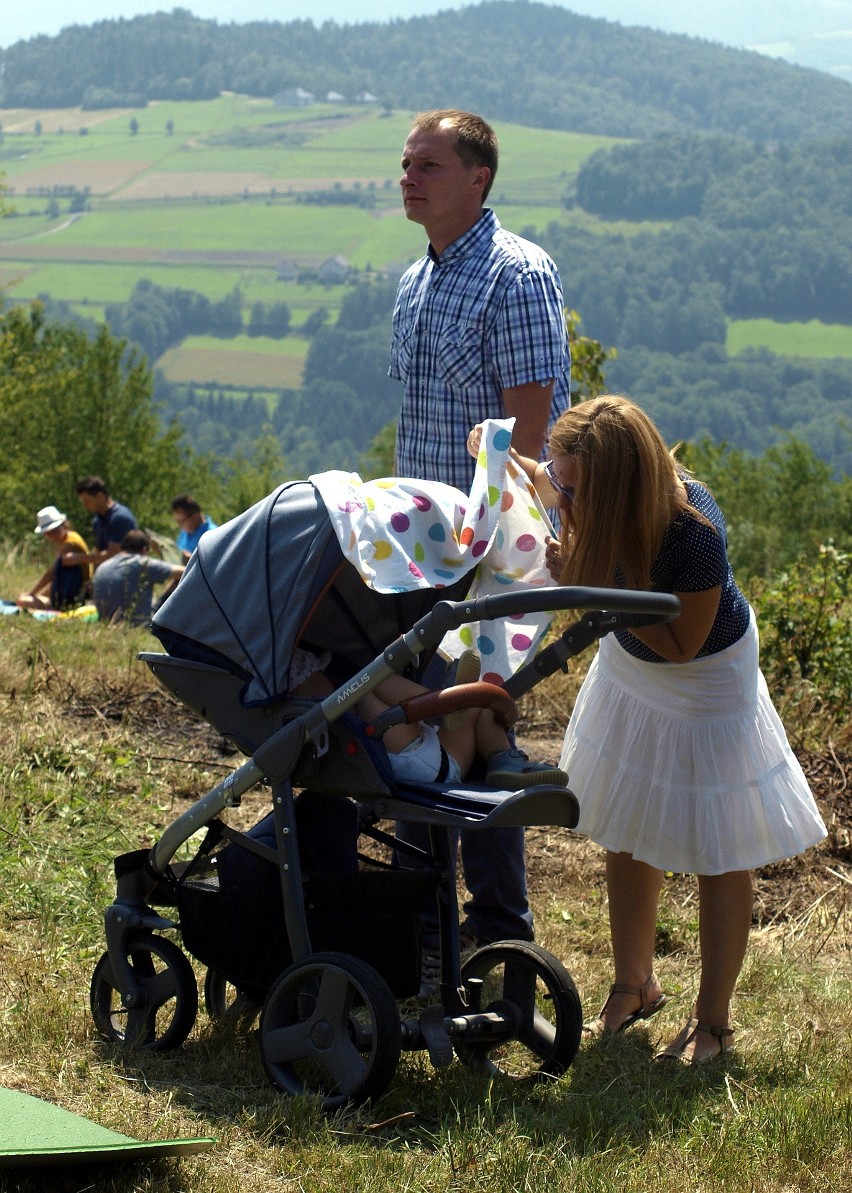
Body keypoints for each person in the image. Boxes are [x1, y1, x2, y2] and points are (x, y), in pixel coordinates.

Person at [474, 395, 827, 1064]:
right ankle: (634, 982)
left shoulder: (693, 533)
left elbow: (682, 643)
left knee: (720, 847)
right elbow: (548, 477)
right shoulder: (592, 487)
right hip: (630, 668)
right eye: (564, 481)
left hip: (703, 679)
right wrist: (498, 457)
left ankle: (713, 1020)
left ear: (617, 485)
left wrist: (588, 591)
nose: (562, 500)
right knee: (629, 820)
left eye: (575, 490)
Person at [389, 108, 572, 948]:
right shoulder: (414, 281)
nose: (409, 176)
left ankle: (498, 929)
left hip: (490, 552)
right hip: (421, 546)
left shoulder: (515, 275)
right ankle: (420, 921)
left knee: (475, 732)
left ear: (478, 178)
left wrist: (483, 561)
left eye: (428, 164)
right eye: (406, 163)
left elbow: (531, 440)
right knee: (424, 729)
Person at [93, 529, 184, 626]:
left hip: (105, 621)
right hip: (138, 623)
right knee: (179, 581)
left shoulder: (103, 566)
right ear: (144, 550)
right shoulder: (143, 563)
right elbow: (184, 571)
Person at [16, 506, 91, 611]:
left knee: (23, 601)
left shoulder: (69, 544)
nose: (52, 535)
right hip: (72, 588)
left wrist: (32, 593)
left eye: (54, 531)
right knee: (26, 599)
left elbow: (50, 574)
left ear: (63, 525)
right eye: (48, 533)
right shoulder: (72, 536)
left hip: (76, 591)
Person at [73, 476, 138, 569]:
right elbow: (98, 552)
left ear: (100, 496)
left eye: (87, 502)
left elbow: (113, 554)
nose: (85, 506)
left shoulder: (119, 518)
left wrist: (78, 559)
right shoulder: (97, 520)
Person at [170, 494, 218, 561]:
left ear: (195, 516)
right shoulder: (184, 532)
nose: (179, 525)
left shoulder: (214, 534)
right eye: (177, 522)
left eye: (181, 521)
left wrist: (192, 560)